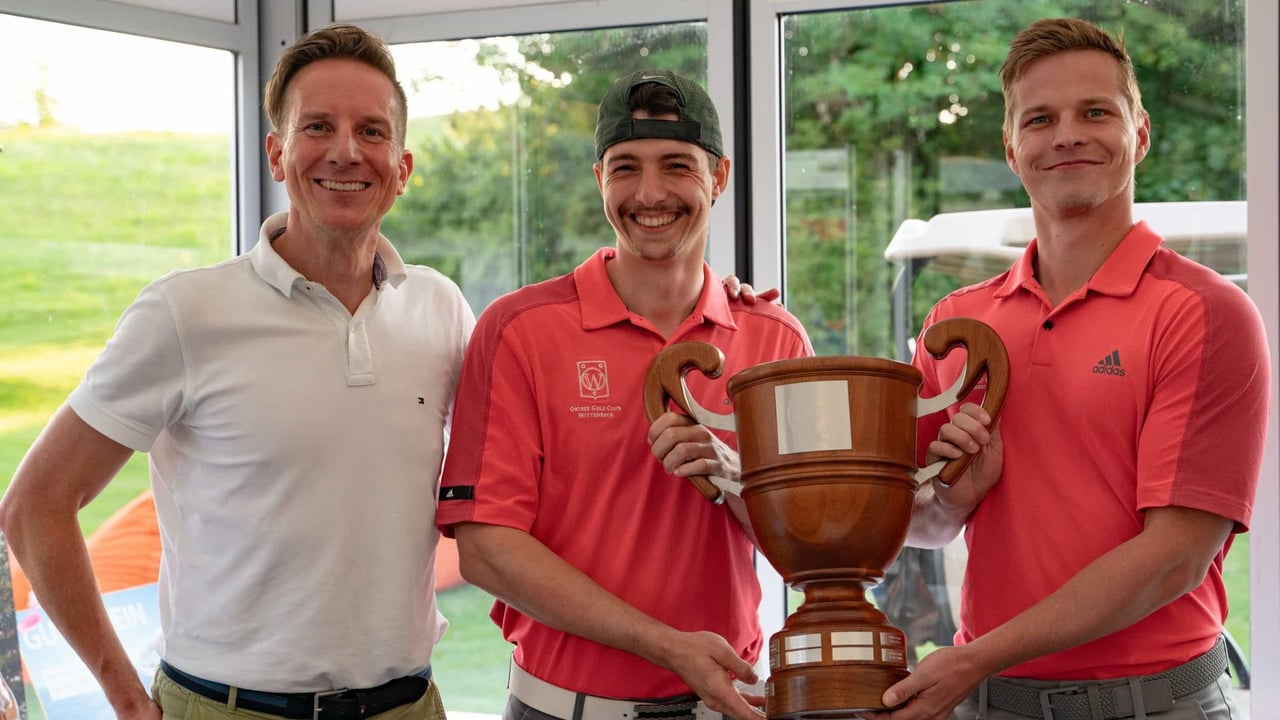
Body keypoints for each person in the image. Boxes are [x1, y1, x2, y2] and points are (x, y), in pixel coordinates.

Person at [0, 23, 473, 720]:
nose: (346, 150)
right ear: (278, 155)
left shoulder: (441, 309)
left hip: (408, 704)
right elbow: (35, 508)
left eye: (372, 131)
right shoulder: (186, 314)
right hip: (226, 708)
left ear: (402, 168)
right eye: (318, 126)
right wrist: (125, 695)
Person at [878, 17, 1269, 720]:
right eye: (1040, 119)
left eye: (1095, 112)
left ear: (1139, 133)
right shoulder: (954, 325)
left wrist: (974, 658)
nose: (1066, 135)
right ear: (1011, 146)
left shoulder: (1205, 313)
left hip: (1156, 705)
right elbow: (920, 523)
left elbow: (1175, 557)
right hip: (990, 702)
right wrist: (960, 497)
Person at [436, 69, 813, 720]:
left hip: (728, 707)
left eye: (676, 166)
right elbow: (487, 548)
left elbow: (811, 549)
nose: (649, 193)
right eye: (625, 167)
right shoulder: (521, 330)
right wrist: (666, 647)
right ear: (599, 180)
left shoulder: (774, 338)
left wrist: (736, 476)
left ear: (719, 177)